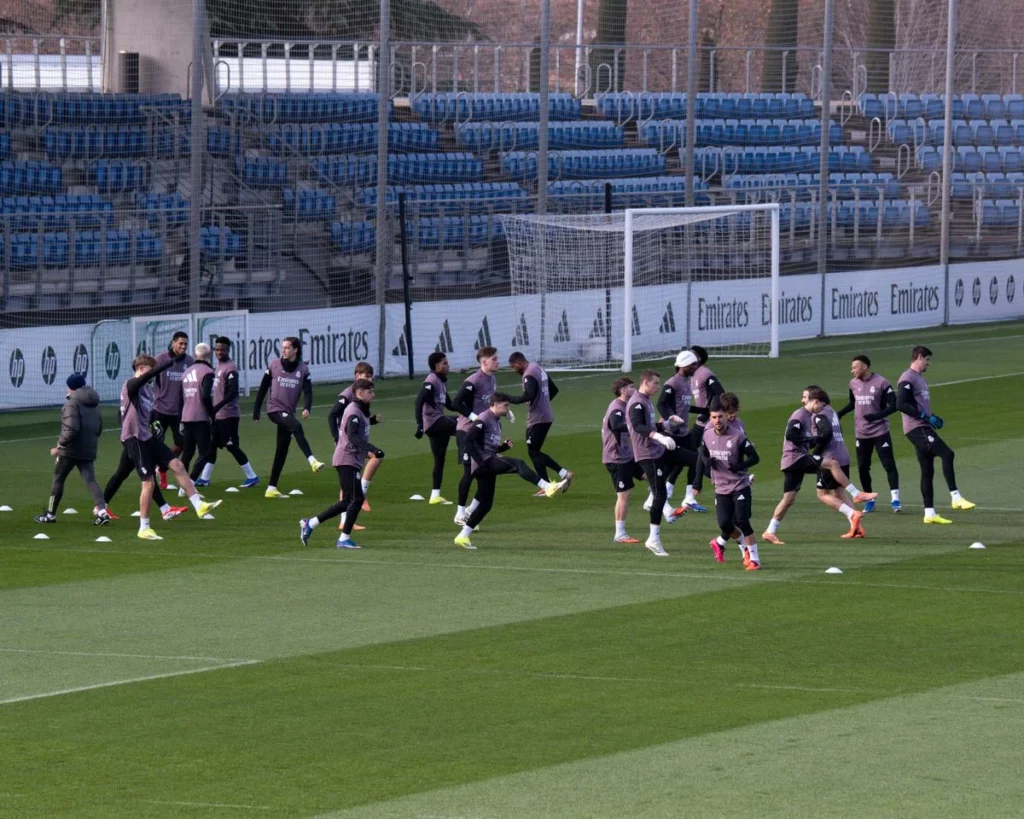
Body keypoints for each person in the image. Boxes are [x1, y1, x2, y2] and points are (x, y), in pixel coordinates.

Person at [119, 353, 222, 540]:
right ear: (141, 369)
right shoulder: (130, 385)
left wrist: (155, 424)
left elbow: (146, 413)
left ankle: (199, 505)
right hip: (134, 439)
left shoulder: (149, 391)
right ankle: (144, 527)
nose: (153, 377)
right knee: (148, 482)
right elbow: (141, 385)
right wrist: (165, 366)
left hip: (146, 436)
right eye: (150, 372)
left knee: (178, 465)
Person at [872, 345, 975, 524]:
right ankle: (956, 497)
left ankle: (929, 513)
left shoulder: (919, 378)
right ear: (919, 357)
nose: (929, 364)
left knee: (927, 471)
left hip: (922, 426)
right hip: (916, 428)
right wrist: (923, 417)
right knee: (947, 454)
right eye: (927, 360)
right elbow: (901, 404)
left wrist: (932, 417)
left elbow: (918, 405)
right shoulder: (907, 378)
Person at [453, 393, 568, 550]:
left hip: (487, 463)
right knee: (518, 463)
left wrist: (503, 448)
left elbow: (489, 446)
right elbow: (468, 441)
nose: (508, 409)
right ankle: (547, 486)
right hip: (484, 464)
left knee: (486, 504)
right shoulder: (483, 419)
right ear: (495, 404)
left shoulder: (496, 422)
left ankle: (462, 536)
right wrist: (481, 462)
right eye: (505, 405)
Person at [301, 379, 384, 549]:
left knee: (349, 500)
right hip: (347, 459)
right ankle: (340, 537)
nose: (373, 395)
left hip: (350, 460)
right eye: (370, 392)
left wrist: (373, 420)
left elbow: (360, 425)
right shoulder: (353, 410)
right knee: (356, 499)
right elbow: (353, 436)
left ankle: (314, 525)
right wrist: (373, 450)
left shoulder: (361, 409)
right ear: (360, 393)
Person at [35, 374, 111, 526]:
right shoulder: (94, 402)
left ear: (70, 387)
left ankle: (50, 514)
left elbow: (71, 430)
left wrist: (60, 446)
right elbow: (99, 427)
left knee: (58, 478)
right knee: (90, 480)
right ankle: (102, 512)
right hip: (89, 448)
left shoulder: (71, 403)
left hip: (70, 450)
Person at [626, 370, 687, 557]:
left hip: (656, 451)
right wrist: (659, 436)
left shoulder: (646, 401)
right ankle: (653, 538)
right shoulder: (637, 402)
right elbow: (638, 426)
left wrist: (667, 424)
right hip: (647, 454)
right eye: (655, 384)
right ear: (645, 382)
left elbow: (651, 425)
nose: (658, 387)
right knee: (660, 494)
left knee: (691, 458)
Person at [253, 336, 323, 498]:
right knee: (297, 427)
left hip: (288, 412)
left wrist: (307, 407)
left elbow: (308, 391)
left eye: (287, 347)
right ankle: (312, 461)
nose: (283, 350)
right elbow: (263, 388)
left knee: (282, 449)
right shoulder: (274, 365)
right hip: (274, 409)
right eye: (282, 347)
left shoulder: (303, 369)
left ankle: (271, 488)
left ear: (295, 350)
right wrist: (256, 410)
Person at [805, 387, 878, 538]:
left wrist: (815, 451)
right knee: (838, 492)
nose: (803, 401)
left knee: (822, 494)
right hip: (842, 454)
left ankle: (852, 514)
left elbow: (826, 434)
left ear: (817, 401)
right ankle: (856, 528)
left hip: (830, 457)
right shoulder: (831, 412)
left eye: (806, 398)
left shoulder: (818, 416)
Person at [701, 398, 761, 570]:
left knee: (742, 521)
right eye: (713, 417)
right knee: (724, 524)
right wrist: (707, 461)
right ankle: (744, 546)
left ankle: (755, 559)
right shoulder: (707, 434)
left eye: (720, 417)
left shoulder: (737, 436)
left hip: (739, 485)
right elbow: (702, 451)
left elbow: (754, 457)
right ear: (710, 418)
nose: (717, 421)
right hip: (720, 487)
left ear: (726, 417)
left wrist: (739, 466)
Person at [836, 355, 901, 513]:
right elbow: (853, 402)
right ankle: (869, 500)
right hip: (861, 432)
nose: (852, 371)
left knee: (888, 464)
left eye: (855, 367)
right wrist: (840, 413)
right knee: (863, 467)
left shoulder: (881, 382)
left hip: (880, 431)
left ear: (864, 367)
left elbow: (895, 405)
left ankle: (895, 500)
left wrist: (876, 416)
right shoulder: (853, 383)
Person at [195, 336, 259, 488]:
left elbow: (232, 393)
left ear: (228, 350)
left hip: (228, 415)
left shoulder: (230, 367)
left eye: (222, 350)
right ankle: (205, 478)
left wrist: (216, 407)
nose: (219, 352)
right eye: (217, 349)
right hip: (218, 415)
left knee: (231, 446)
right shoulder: (217, 366)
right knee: (211, 445)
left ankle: (252, 476)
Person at [508, 352, 574, 496]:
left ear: (518, 363)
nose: (515, 370)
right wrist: (543, 403)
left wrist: (509, 399)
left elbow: (529, 395)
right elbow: (554, 390)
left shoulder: (529, 374)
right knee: (534, 452)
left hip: (537, 418)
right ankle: (555, 480)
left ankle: (551, 482)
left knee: (533, 452)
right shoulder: (538, 368)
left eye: (514, 367)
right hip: (546, 416)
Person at [762, 388, 820, 545]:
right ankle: (850, 500)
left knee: (789, 499)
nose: (802, 400)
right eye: (804, 397)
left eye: (804, 397)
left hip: (794, 459)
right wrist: (809, 440)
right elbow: (791, 435)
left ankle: (770, 531)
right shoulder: (800, 415)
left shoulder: (809, 416)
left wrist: (811, 440)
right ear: (815, 400)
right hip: (795, 459)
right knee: (830, 465)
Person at [452, 346, 500, 527]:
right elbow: (456, 402)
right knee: (469, 473)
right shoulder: (473, 380)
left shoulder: (492, 379)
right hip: (466, 431)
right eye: (494, 359)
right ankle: (459, 513)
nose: (497, 362)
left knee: (485, 471)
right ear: (484, 362)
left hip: (482, 433)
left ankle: (471, 512)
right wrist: (474, 417)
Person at [652, 350, 703, 512]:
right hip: (672, 434)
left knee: (695, 461)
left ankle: (688, 498)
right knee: (669, 467)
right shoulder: (672, 383)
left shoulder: (686, 382)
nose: (696, 367)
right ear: (684, 366)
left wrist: (706, 410)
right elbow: (661, 404)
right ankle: (653, 498)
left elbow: (685, 406)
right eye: (693, 364)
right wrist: (671, 420)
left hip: (683, 433)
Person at [328, 362, 381, 513]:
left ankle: (356, 502)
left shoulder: (364, 394)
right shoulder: (347, 395)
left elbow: (355, 421)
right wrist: (337, 438)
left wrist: (371, 421)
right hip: (347, 443)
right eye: (367, 377)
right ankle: (359, 498)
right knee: (351, 479)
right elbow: (332, 415)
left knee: (350, 481)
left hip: (353, 440)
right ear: (357, 376)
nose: (370, 380)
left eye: (371, 377)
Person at [602, 376, 647, 544]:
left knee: (648, 475)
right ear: (623, 391)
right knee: (624, 495)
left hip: (627, 455)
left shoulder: (625, 406)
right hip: (616, 457)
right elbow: (615, 424)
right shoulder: (617, 408)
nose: (634, 390)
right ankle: (619, 534)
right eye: (631, 387)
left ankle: (662, 507)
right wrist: (634, 427)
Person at [414, 351, 458, 505]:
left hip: (438, 424)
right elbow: (418, 401)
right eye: (444, 363)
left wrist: (469, 406)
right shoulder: (431, 381)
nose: (448, 365)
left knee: (439, 460)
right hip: (434, 422)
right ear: (436, 365)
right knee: (464, 425)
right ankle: (467, 456)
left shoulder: (441, 381)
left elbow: (451, 406)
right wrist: (420, 425)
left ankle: (435, 495)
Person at [152, 331, 193, 490]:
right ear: (173, 342)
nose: (183, 346)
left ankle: (162, 468)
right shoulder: (161, 359)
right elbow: (149, 378)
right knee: (155, 445)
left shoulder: (189, 361)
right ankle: (152, 481)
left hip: (179, 412)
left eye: (185, 344)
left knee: (181, 443)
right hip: (160, 410)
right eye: (180, 343)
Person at [179, 343, 216, 484]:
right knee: (205, 453)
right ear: (209, 356)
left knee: (187, 453)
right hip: (200, 417)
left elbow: (180, 398)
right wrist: (212, 414)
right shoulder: (208, 372)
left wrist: (180, 419)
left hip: (186, 416)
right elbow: (206, 396)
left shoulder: (186, 372)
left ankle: (183, 485)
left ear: (195, 355)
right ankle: (191, 482)